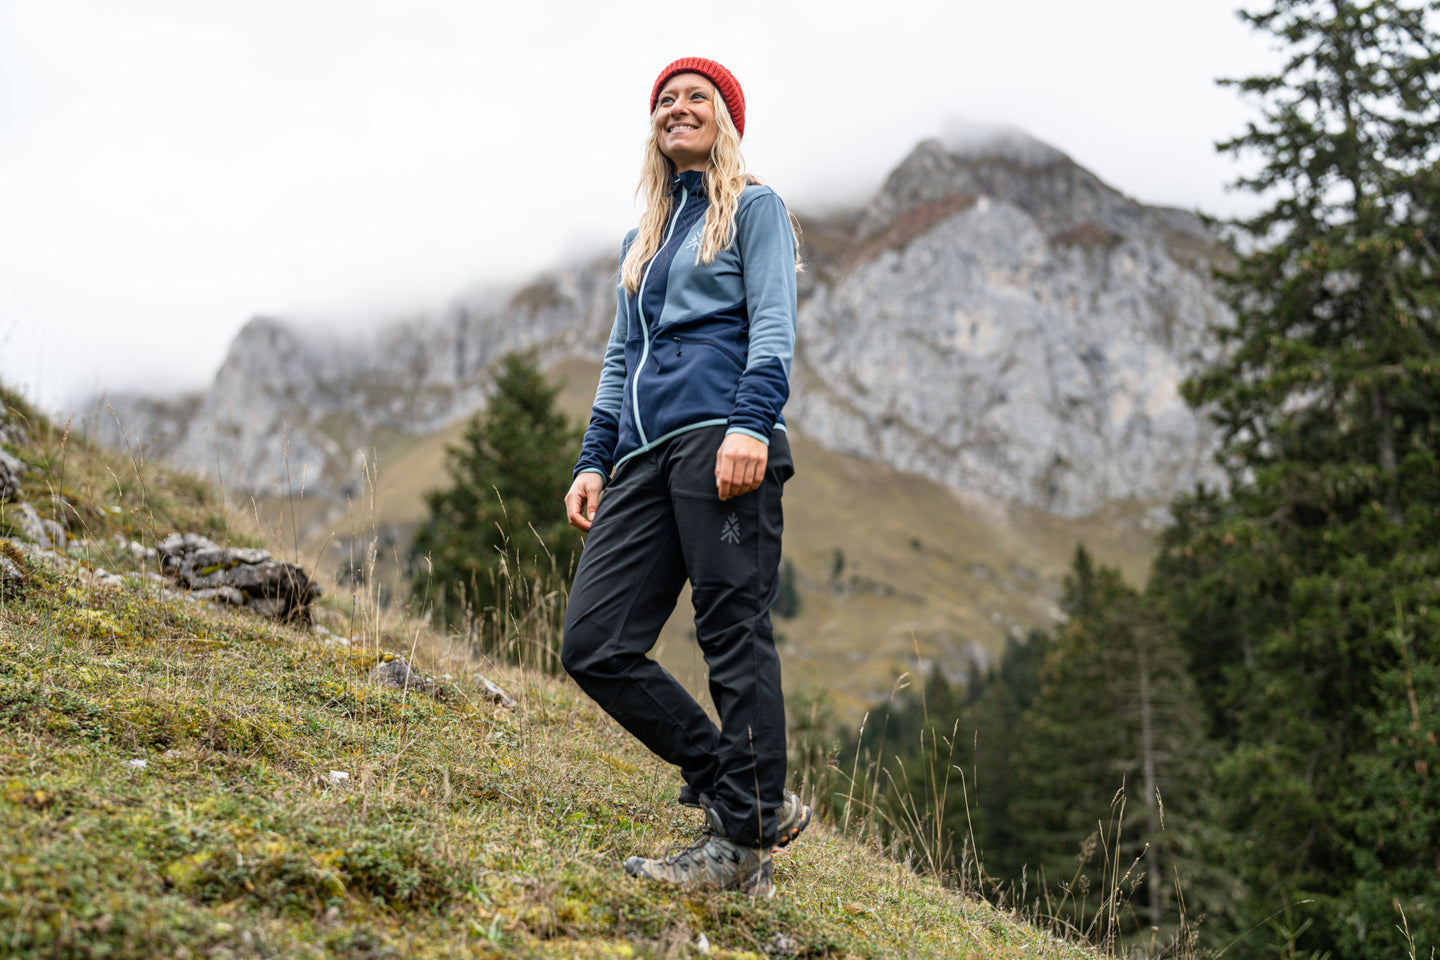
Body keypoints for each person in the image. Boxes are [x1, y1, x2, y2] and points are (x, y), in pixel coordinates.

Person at [560, 56, 810, 898]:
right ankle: (748, 790)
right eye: (664, 100)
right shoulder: (644, 240)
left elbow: (773, 327)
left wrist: (749, 423)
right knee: (594, 643)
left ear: (725, 118)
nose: (677, 108)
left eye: (695, 97)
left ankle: (740, 849)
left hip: (723, 441)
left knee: (731, 630)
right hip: (641, 459)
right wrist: (596, 457)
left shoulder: (757, 208)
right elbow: (619, 356)